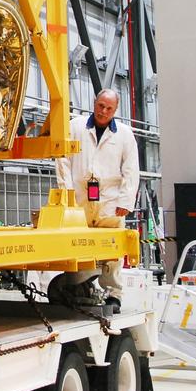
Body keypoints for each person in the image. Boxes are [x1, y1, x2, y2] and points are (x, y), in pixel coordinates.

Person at [56, 88, 139, 306]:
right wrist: (66, 194)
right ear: (94, 103)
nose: (103, 111)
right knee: (78, 244)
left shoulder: (124, 134)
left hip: (110, 202)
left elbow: (131, 169)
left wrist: (126, 201)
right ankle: (79, 286)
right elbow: (62, 160)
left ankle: (113, 294)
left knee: (113, 249)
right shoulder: (75, 127)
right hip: (79, 200)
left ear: (115, 110)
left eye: (109, 108)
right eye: (101, 106)